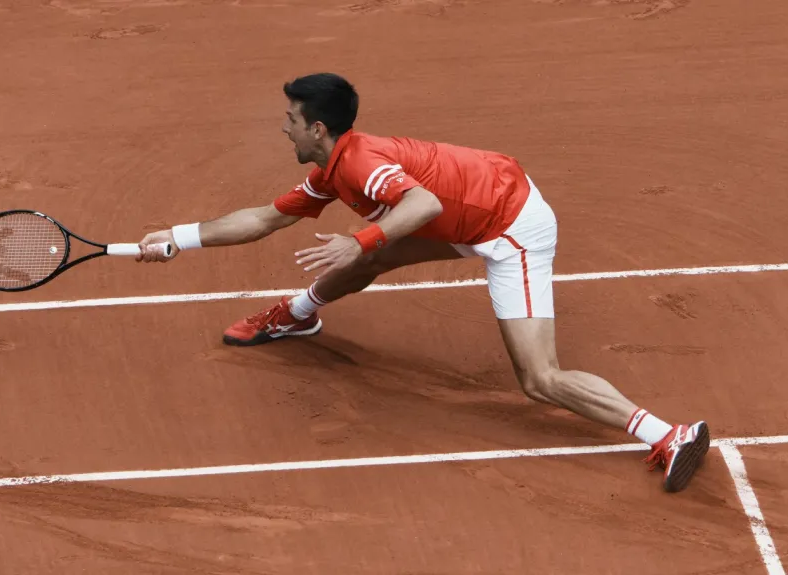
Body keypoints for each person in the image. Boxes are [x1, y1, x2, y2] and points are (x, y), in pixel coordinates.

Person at [134, 72, 710, 493]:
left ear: (317, 127)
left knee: (539, 379)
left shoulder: (360, 164)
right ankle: (298, 314)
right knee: (368, 259)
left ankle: (668, 434)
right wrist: (178, 237)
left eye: (290, 120)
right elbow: (265, 219)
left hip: (509, 223)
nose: (284, 128)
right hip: (473, 203)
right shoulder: (332, 169)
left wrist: (360, 239)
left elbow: (424, 203)